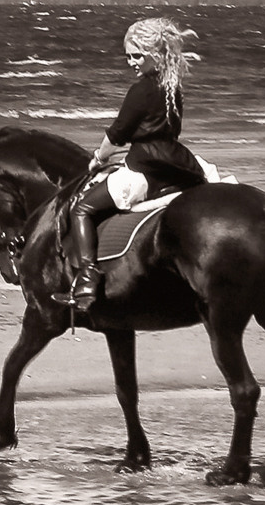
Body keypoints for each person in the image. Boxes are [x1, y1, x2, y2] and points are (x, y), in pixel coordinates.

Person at [64, 17, 231, 310]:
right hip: (178, 163)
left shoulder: (140, 90)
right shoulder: (172, 86)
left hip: (145, 170)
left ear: (156, 54)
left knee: (81, 208)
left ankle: (87, 278)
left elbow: (117, 134)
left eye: (138, 55)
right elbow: (168, 131)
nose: (132, 62)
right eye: (128, 56)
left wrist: (98, 159)